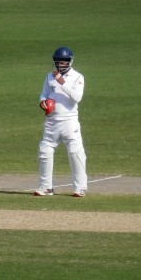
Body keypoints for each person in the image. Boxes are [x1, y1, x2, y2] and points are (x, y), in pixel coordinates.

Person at [35, 46, 87, 197]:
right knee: (44, 151)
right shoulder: (49, 77)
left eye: (63, 62)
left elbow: (77, 98)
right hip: (51, 121)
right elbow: (44, 94)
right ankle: (46, 187)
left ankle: (80, 188)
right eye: (58, 62)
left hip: (69, 121)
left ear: (69, 62)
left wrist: (62, 82)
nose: (60, 65)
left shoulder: (78, 77)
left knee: (75, 152)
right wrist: (43, 102)